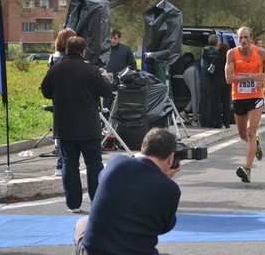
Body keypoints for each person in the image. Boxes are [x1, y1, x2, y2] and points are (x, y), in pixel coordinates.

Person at [74, 128, 181, 255]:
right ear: (170, 158)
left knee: (83, 222)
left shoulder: (115, 162)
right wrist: (163, 177)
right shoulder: (170, 189)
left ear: (143, 148)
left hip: (94, 251)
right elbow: (164, 227)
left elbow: (102, 179)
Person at [40, 36, 113, 213]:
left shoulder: (56, 69)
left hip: (64, 126)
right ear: (83, 51)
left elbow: (46, 92)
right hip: (88, 127)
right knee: (94, 164)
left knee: (69, 164)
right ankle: (96, 201)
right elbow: (106, 91)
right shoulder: (91, 70)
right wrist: (104, 78)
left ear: (66, 51)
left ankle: (73, 204)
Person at [225, 26, 265, 183]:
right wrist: (251, 77)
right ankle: (256, 144)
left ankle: (247, 170)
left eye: (246, 37)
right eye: (240, 38)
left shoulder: (260, 53)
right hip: (239, 97)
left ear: (251, 38)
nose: (243, 40)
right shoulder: (232, 54)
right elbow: (229, 79)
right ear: (237, 39)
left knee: (250, 132)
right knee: (242, 135)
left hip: (256, 96)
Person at [47, 27, 76, 177]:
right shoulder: (73, 58)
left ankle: (60, 163)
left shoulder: (53, 58)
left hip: (58, 98)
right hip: (74, 97)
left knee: (60, 132)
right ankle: (62, 163)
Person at [199, 35, 220, 128]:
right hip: (210, 79)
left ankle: (202, 121)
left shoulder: (204, 51)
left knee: (203, 101)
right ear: (217, 42)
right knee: (210, 101)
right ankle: (209, 121)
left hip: (202, 77)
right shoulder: (215, 52)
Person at [215, 43, 233, 128]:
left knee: (217, 104)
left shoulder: (215, 58)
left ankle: (218, 123)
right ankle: (227, 123)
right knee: (226, 103)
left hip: (217, 83)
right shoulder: (228, 59)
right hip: (227, 82)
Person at [181, 52, 201, 127]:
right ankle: (195, 120)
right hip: (193, 72)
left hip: (187, 73)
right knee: (196, 96)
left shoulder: (196, 62)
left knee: (197, 96)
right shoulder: (201, 61)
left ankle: (185, 111)